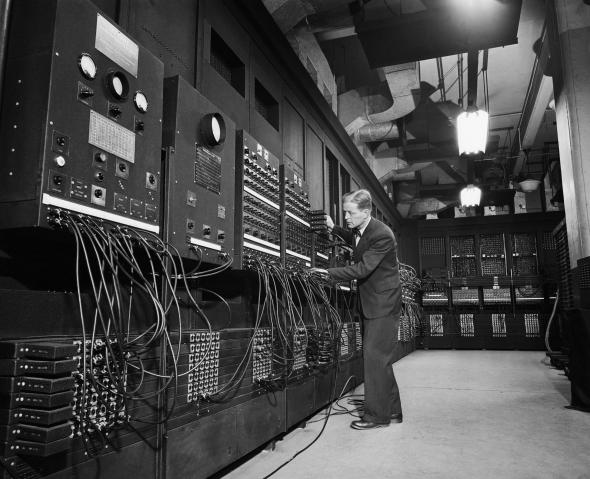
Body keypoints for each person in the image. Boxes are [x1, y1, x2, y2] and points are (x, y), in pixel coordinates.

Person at [312, 189, 402, 430]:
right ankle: (392, 412)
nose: (347, 218)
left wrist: (327, 273)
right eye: (345, 213)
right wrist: (333, 228)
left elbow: (362, 269)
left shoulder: (382, 235)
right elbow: (354, 239)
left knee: (374, 359)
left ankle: (377, 417)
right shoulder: (361, 229)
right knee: (380, 360)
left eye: (350, 213)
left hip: (383, 304)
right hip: (372, 302)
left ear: (366, 212)